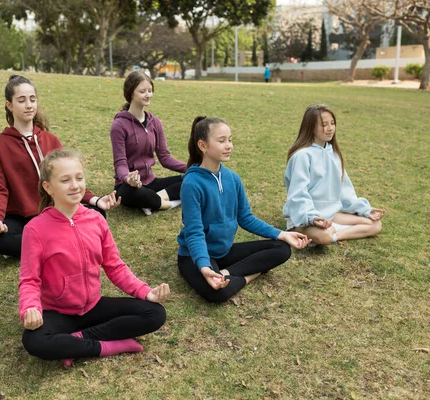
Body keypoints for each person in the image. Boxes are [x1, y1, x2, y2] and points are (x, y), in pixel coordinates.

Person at [19, 149, 169, 367]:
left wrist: (145, 291)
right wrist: (30, 309)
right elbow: (29, 280)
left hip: (94, 306)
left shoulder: (96, 219)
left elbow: (114, 266)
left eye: (79, 178)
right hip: (58, 313)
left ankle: (77, 340)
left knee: (155, 313)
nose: (75, 185)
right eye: (65, 180)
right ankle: (106, 346)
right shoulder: (35, 229)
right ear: (48, 187)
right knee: (33, 340)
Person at [177, 116, 310, 303]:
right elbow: (194, 233)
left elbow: (246, 218)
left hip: (224, 252)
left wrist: (282, 234)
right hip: (195, 256)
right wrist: (205, 268)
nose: (229, 145)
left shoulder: (233, 178)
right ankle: (249, 275)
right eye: (221, 141)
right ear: (203, 146)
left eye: (230, 140)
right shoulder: (192, 184)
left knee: (282, 248)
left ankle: (226, 274)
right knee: (217, 293)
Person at [0, 75, 120, 257]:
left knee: (97, 213)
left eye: (32, 99)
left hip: (56, 210)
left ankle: (40, 242)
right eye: (21, 100)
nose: (29, 105)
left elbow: (69, 177)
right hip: (22, 216)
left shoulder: (50, 139)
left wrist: (96, 200)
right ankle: (63, 238)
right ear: (9, 105)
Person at [283, 104, 384, 246]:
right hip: (307, 218)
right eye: (324, 124)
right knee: (323, 237)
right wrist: (311, 218)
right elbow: (298, 194)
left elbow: (345, 191)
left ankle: (334, 235)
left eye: (332, 123)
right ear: (310, 127)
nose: (330, 128)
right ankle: (324, 234)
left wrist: (365, 211)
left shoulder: (334, 154)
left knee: (375, 224)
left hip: (332, 214)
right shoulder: (302, 156)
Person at [110, 70, 187, 216]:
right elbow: (120, 163)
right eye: (143, 91)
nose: (148, 94)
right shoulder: (119, 125)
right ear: (131, 93)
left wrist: (191, 168)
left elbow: (165, 158)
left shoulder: (155, 122)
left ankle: (153, 201)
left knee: (193, 179)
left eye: (150, 90)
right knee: (130, 194)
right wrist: (128, 178)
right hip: (129, 186)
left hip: (151, 182)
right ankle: (170, 203)